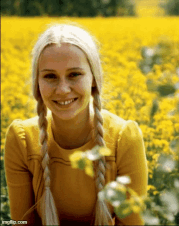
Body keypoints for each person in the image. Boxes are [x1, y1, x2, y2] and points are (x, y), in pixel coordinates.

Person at [4, 23, 148, 226]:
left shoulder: (123, 138)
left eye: (74, 74)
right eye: (50, 76)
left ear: (94, 79)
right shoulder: (21, 139)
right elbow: (19, 223)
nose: (62, 89)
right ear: (37, 82)